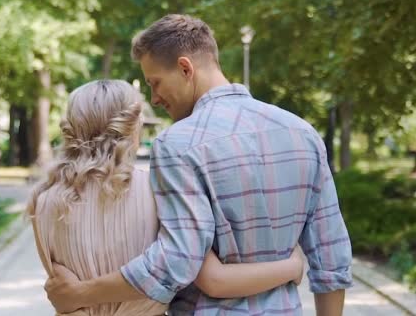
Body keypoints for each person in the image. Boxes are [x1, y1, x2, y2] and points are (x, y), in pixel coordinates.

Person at [44, 15, 353, 315]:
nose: (154, 99)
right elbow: (332, 258)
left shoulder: (178, 144)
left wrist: (82, 293)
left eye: (156, 83)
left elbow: (176, 261)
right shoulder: (302, 133)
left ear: (185, 68)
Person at [28, 79, 306, 316]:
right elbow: (213, 279)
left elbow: (63, 290)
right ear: (132, 126)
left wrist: (79, 295)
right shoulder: (158, 189)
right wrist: (291, 266)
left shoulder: (43, 201)